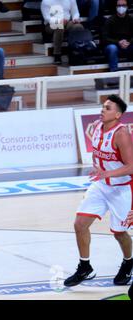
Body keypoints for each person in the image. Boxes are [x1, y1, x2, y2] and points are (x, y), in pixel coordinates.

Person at [64, 95, 133, 287]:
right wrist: (99, 169)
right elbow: (100, 153)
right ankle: (85, 267)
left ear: (118, 114)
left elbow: (131, 166)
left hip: (122, 188)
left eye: (108, 108)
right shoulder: (95, 126)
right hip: (101, 186)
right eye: (103, 106)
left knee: (120, 233)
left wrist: (107, 173)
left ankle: (128, 262)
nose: (103, 110)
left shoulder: (122, 134)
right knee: (80, 224)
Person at [41, 0, 85, 65]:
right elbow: (47, 18)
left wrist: (75, 18)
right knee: (59, 26)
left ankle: (77, 52)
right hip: (51, 24)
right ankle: (57, 54)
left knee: (78, 26)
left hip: (67, 22)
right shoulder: (46, 1)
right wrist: (59, 21)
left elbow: (75, 12)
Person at [102, 0, 133, 72]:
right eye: (119, 5)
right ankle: (113, 72)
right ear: (116, 7)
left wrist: (129, 42)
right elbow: (105, 38)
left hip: (128, 45)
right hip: (114, 46)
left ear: (127, 7)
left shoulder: (131, 19)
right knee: (112, 48)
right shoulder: (109, 21)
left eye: (123, 5)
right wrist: (118, 42)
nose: (121, 7)